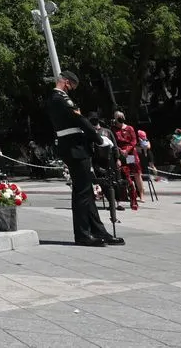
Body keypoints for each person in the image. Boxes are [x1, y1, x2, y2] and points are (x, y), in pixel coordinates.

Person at [46, 71, 124, 247]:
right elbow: (79, 119)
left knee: (86, 191)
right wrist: (98, 138)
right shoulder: (61, 98)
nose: (71, 89)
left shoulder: (55, 98)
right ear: (66, 82)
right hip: (75, 148)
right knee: (82, 193)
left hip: (75, 148)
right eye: (72, 86)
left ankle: (98, 231)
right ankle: (82, 234)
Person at [88, 114, 123, 223]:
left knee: (114, 180)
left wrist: (117, 158)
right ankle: (110, 201)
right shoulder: (90, 133)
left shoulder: (107, 131)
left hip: (110, 159)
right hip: (97, 160)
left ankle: (118, 202)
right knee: (103, 182)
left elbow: (115, 145)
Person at [112, 112, 144, 202]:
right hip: (120, 154)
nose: (120, 118)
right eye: (118, 117)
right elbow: (114, 142)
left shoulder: (129, 128)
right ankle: (126, 195)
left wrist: (127, 150)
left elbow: (134, 141)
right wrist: (119, 150)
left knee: (136, 173)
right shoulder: (114, 129)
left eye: (121, 117)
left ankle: (141, 195)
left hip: (130, 154)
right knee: (123, 173)